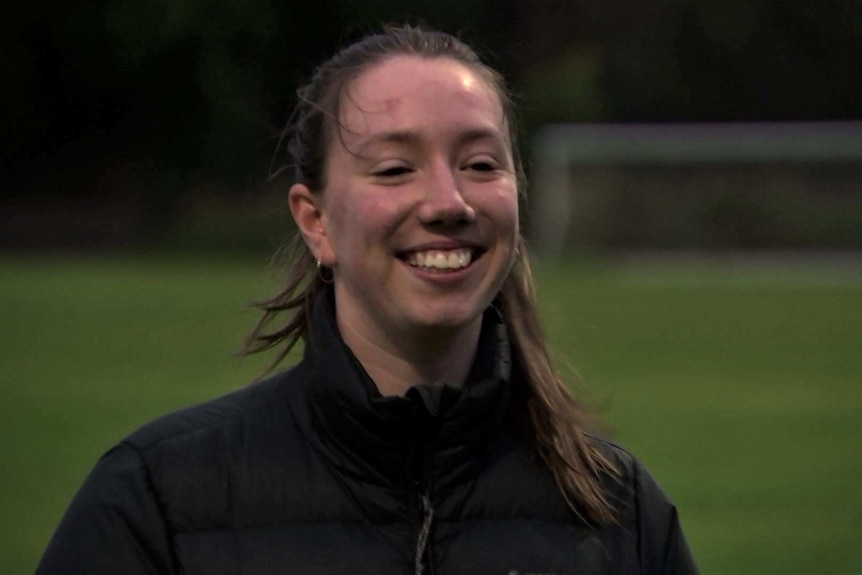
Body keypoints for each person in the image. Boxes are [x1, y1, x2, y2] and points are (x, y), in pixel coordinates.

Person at [37, 24, 698, 574]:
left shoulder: (620, 515)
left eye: (479, 163)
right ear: (315, 220)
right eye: (393, 169)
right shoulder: (156, 500)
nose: (449, 202)